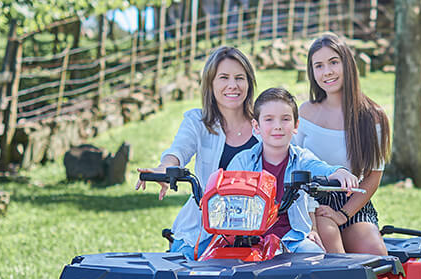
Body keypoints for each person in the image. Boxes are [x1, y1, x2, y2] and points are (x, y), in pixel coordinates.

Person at [136, 45, 259, 258]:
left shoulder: (264, 124)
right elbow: (178, 151)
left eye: (240, 78)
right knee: (186, 270)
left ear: (249, 83)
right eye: (224, 78)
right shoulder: (197, 122)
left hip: (256, 228)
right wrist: (165, 168)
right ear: (210, 83)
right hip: (204, 228)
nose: (233, 85)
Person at [226, 88, 359, 253]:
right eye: (269, 119)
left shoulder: (302, 158)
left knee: (314, 255)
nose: (278, 126)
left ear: (296, 125)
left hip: (293, 239)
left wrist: (338, 172)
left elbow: (319, 166)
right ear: (256, 126)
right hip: (249, 241)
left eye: (285, 119)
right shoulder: (242, 162)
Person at [296, 33, 391, 256]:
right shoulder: (305, 112)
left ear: (347, 64)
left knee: (377, 255)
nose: (327, 71)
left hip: (352, 201)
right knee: (336, 257)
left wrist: (343, 214)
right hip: (312, 202)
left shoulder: (372, 116)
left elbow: (373, 177)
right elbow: (293, 163)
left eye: (333, 62)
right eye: (319, 66)